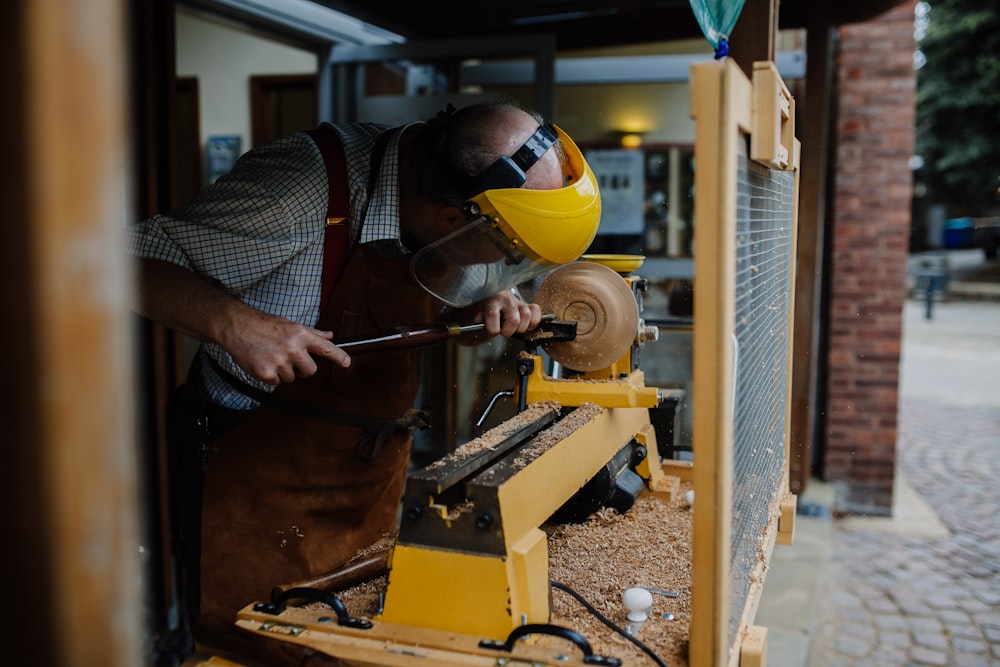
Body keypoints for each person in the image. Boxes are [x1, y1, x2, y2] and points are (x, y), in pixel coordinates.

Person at [127, 98, 601, 665]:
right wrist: (236, 325)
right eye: (506, 252)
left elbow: (446, 288)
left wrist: (478, 309)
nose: (502, 266)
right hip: (254, 472)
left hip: (372, 476)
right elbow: (118, 261)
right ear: (452, 220)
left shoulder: (452, 206)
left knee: (352, 638)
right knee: (255, 643)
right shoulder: (300, 189)